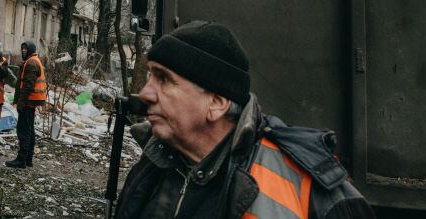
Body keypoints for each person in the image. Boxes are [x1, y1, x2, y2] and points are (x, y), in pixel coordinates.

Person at [115, 21, 374, 219]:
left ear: (216, 104)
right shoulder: (154, 162)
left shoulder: (306, 188)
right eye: (151, 76)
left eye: (164, 79)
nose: (146, 93)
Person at [6, 41, 46, 168]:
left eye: (25, 49)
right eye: (22, 48)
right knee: (30, 130)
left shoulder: (31, 63)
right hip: (31, 101)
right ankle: (28, 159)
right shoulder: (33, 60)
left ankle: (21, 159)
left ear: (30, 50)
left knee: (24, 131)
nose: (23, 51)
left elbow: (28, 85)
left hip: (28, 102)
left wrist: (20, 103)